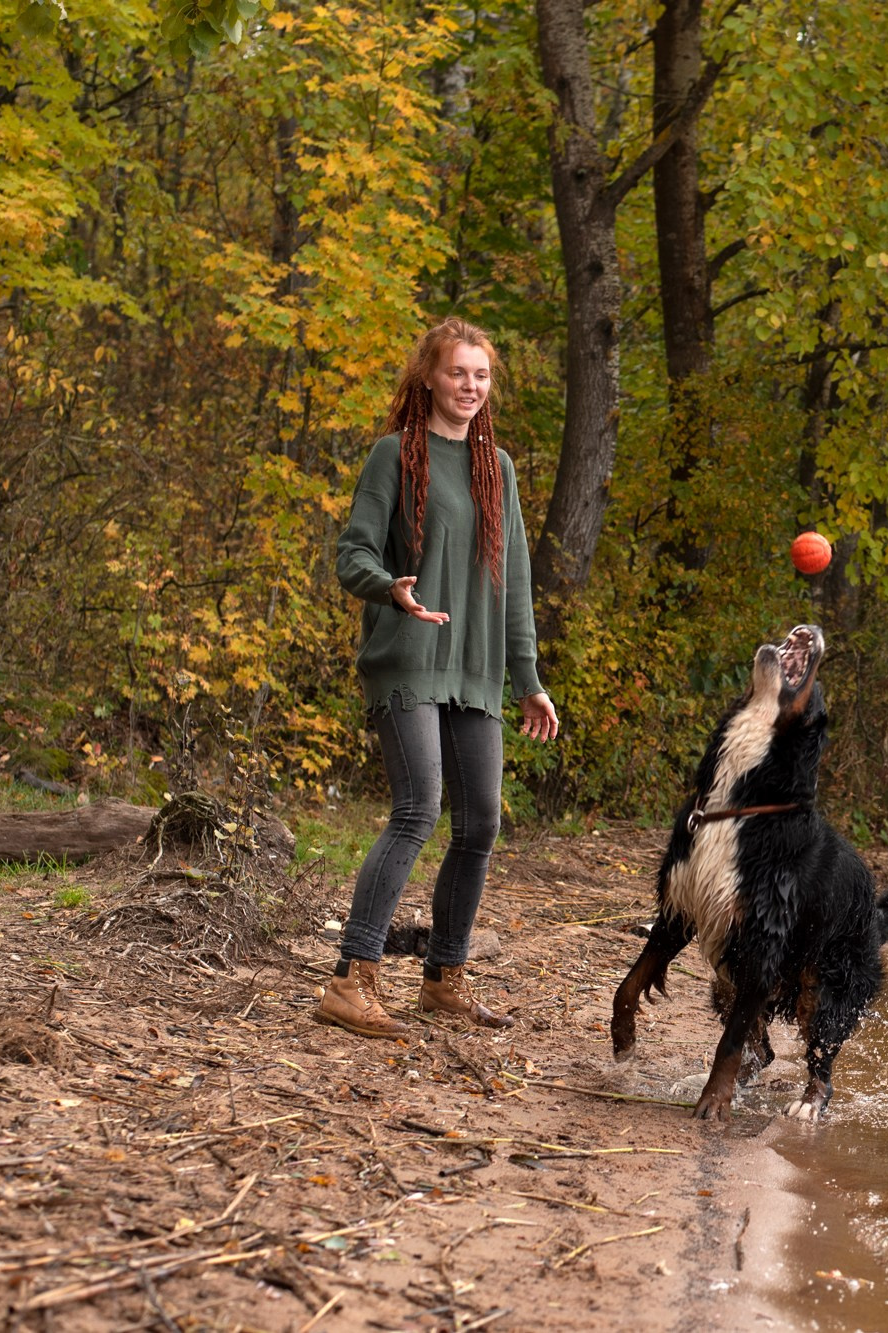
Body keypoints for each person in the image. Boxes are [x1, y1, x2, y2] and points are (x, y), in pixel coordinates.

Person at [316, 318, 559, 1039]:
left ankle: (444, 977)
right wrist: (391, 586)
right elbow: (351, 552)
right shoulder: (395, 455)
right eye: (459, 373)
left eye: (482, 376)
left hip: (476, 666)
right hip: (410, 656)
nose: (471, 387)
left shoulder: (498, 468)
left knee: (480, 819)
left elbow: (513, 580)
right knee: (419, 809)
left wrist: (529, 679)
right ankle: (349, 980)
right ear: (429, 376)